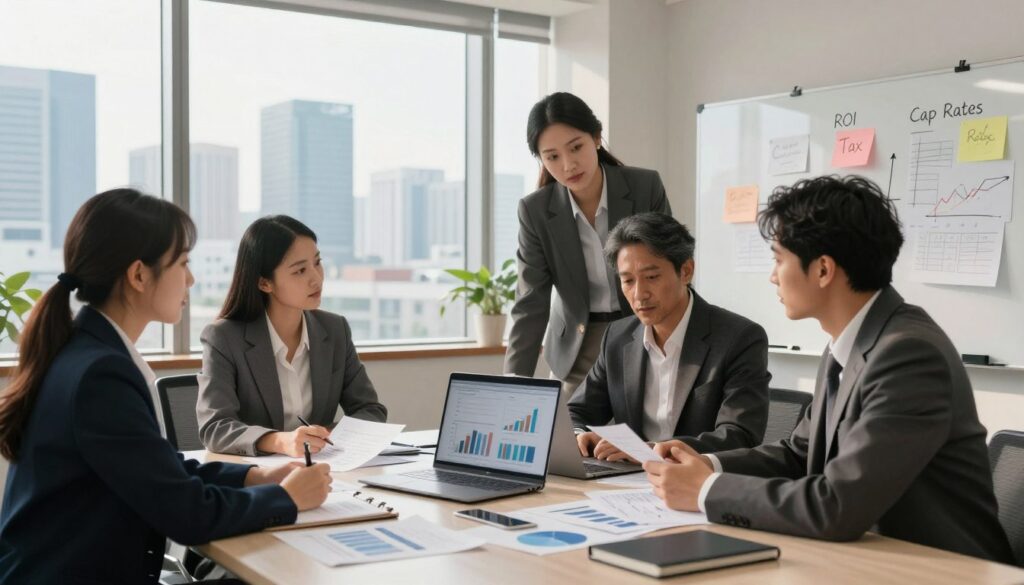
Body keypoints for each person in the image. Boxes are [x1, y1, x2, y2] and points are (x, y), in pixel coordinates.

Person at [643, 175, 1014, 563]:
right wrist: (708, 463)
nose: (772, 276)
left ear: (823, 270)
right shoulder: (850, 341)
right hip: (868, 558)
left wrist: (706, 490)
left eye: (778, 259)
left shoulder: (909, 355)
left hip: (943, 569)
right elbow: (801, 453)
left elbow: (838, 504)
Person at [0, 189, 331, 583]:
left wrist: (251, 477)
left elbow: (157, 469)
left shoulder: (87, 350)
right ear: (139, 275)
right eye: (183, 263)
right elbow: (188, 515)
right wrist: (289, 498)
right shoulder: (100, 375)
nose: (191, 278)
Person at [504, 92, 672, 393]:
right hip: (576, 348)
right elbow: (531, 304)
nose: (568, 165)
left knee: (643, 437)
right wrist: (512, 388)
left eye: (576, 147)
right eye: (552, 156)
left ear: (596, 137)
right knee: (567, 437)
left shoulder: (645, 187)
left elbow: (669, 270)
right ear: (541, 160)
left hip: (644, 332)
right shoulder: (536, 211)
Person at [569, 212, 769, 460]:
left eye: (652, 277)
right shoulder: (618, 336)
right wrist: (580, 435)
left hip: (695, 484)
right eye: (628, 280)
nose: (639, 294)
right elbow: (577, 411)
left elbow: (739, 435)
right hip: (624, 485)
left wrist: (650, 451)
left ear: (686, 271)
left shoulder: (739, 338)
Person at [198, 215, 387, 457]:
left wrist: (325, 437)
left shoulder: (334, 329)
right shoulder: (223, 338)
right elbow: (215, 428)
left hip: (322, 472)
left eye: (317, 263)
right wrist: (280, 441)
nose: (316, 278)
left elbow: (370, 410)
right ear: (265, 283)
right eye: (300, 270)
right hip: (257, 477)